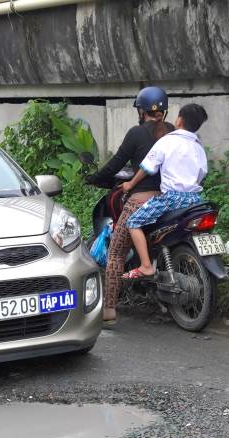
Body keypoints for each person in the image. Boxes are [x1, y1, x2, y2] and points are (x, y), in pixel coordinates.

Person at [86, 86, 174, 325]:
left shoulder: (136, 133)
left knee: (115, 252)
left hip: (141, 200)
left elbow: (116, 163)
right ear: (164, 111)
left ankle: (109, 311)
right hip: (171, 200)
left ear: (141, 110)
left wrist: (93, 178)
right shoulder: (173, 132)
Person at [119, 103, 210, 280]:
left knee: (133, 222)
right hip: (195, 200)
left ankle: (146, 266)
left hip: (171, 199)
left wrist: (130, 184)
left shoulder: (167, 141)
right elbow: (201, 174)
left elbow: (147, 167)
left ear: (179, 120)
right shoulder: (198, 147)